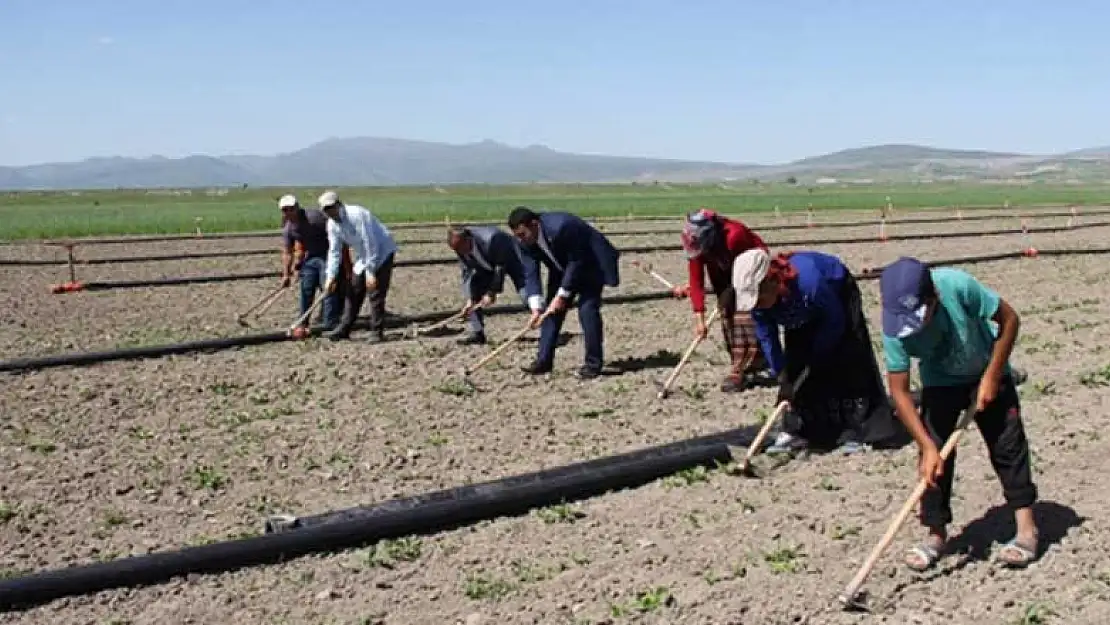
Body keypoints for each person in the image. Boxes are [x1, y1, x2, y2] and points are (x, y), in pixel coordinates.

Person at [879, 256, 1039, 571]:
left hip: (986, 372)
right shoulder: (894, 327)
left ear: (933, 298)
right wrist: (926, 446)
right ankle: (936, 535)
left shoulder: (957, 286)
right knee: (934, 463)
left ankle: (1026, 529)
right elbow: (899, 391)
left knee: (1007, 447)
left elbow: (1010, 321)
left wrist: (993, 375)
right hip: (940, 385)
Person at [732, 248, 905, 454]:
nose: (758, 305)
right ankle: (801, 430)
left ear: (771, 282)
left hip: (836, 298)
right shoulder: (760, 306)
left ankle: (859, 431)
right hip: (799, 310)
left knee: (847, 360)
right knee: (796, 364)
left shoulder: (809, 283)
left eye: (759, 299)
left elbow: (834, 321)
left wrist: (818, 355)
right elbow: (768, 338)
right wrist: (783, 376)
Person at [507, 206, 620, 379]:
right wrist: (536, 306)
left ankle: (593, 364)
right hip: (562, 268)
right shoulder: (522, 242)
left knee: (587, 311)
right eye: (517, 235)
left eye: (523, 234)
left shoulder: (562, 226)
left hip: (592, 265)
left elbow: (577, 261)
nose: (520, 239)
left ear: (534, 224)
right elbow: (530, 271)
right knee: (550, 314)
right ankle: (543, 361)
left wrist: (563, 295)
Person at [672, 208, 773, 392]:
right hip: (721, 270)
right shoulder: (697, 243)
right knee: (726, 314)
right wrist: (700, 320)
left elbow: (747, 267)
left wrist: (732, 290)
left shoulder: (734, 236)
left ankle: (747, 368)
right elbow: (696, 281)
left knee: (745, 314)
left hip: (751, 268)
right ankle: (740, 362)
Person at [319, 190, 398, 343]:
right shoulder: (332, 225)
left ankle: (376, 331)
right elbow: (334, 252)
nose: (330, 212)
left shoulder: (356, 214)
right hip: (363, 256)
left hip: (382, 251)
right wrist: (330, 277)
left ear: (339, 204)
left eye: (331, 207)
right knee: (353, 289)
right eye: (326, 209)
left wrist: (370, 273)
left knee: (375, 291)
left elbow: (371, 243)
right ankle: (344, 328)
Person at [447, 225, 544, 345]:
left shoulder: (492, 238)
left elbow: (500, 267)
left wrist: (491, 293)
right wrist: (470, 300)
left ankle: (547, 326)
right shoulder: (460, 248)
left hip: (514, 261)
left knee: (527, 295)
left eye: (462, 249)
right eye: (457, 251)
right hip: (487, 265)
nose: (461, 253)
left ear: (468, 239)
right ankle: (478, 333)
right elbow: (467, 272)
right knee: (473, 289)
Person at [278, 194, 344, 330]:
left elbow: (337, 230)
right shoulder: (288, 228)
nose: (289, 212)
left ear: (297, 207)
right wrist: (286, 274)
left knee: (328, 288)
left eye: (291, 208)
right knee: (306, 288)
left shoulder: (314, 218)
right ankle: (303, 321)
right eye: (285, 210)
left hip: (328, 254)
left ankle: (329, 323)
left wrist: (342, 260)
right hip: (311, 256)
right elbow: (288, 251)